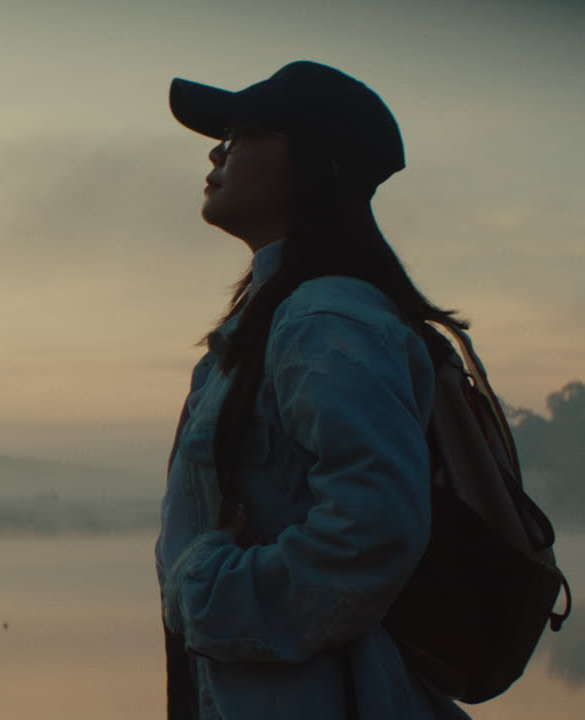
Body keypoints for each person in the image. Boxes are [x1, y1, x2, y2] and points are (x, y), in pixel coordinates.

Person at [156, 61, 473, 719]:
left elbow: (372, 531)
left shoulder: (326, 319)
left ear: (317, 163)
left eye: (244, 134)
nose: (218, 150)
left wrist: (207, 594)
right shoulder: (276, 325)